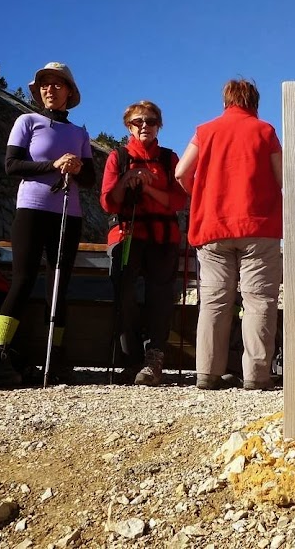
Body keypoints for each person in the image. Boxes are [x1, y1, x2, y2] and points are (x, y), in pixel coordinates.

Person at [175, 79, 282, 391]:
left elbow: (182, 172)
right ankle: (257, 376)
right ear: (255, 103)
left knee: (213, 301)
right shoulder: (265, 131)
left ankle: (207, 373)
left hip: (213, 227)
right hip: (258, 227)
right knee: (259, 300)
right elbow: (282, 176)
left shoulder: (205, 130)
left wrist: (203, 197)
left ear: (225, 102)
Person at [0, 62, 95, 386]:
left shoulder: (79, 133)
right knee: (22, 279)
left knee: (58, 285)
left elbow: (90, 178)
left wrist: (77, 167)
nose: (50, 89)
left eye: (56, 84)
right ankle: (0, 351)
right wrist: (54, 164)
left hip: (68, 212)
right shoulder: (27, 121)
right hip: (32, 208)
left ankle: (56, 355)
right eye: (44, 85)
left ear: (68, 92)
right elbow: (11, 165)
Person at [101, 100, 188, 386]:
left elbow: (179, 200)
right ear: (128, 125)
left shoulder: (168, 158)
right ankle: (130, 357)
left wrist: (148, 187)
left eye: (150, 121)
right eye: (138, 122)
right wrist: (126, 179)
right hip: (127, 234)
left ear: (159, 125)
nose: (144, 127)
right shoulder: (118, 157)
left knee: (160, 298)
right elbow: (107, 202)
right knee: (124, 292)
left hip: (162, 237)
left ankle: (153, 359)